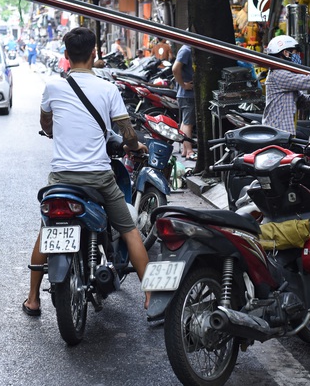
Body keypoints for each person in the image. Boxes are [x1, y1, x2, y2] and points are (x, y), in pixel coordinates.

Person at [22, 27, 151, 316]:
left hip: (61, 179)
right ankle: (151, 296)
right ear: (94, 54)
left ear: (66, 56)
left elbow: (46, 125)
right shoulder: (107, 88)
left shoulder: (53, 87)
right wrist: (135, 146)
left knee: (46, 231)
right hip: (99, 178)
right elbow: (126, 131)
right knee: (129, 230)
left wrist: (58, 130)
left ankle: (32, 298)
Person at [172, 44, 196, 160]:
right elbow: (175, 69)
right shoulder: (186, 50)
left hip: (185, 94)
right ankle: (190, 151)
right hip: (187, 94)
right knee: (188, 124)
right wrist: (183, 85)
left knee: (185, 122)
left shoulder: (186, 49)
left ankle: (185, 149)